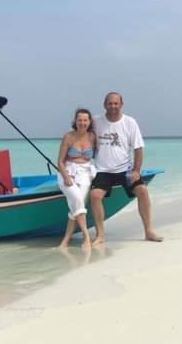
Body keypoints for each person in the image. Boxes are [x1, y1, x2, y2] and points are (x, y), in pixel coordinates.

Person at [90, 92, 163, 244]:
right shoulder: (96, 122)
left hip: (125, 169)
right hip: (103, 170)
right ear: (104, 105)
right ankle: (100, 235)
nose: (113, 106)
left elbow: (138, 148)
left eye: (116, 103)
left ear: (121, 105)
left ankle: (148, 231)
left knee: (142, 191)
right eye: (110, 103)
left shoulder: (130, 122)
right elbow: (81, 135)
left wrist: (136, 170)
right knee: (95, 196)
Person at [57, 108, 96, 250]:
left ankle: (65, 241)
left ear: (90, 121)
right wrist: (66, 177)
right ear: (75, 121)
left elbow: (102, 155)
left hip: (85, 173)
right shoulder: (68, 137)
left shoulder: (92, 137)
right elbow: (60, 161)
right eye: (80, 120)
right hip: (67, 172)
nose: (82, 122)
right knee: (77, 199)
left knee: (76, 205)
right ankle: (86, 236)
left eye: (85, 120)